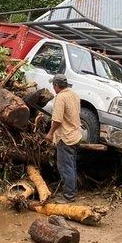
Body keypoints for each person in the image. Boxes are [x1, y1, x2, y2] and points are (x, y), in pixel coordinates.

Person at [45, 74, 82, 203]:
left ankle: (69, 196)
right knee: (71, 165)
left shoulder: (60, 98)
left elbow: (57, 120)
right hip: (75, 135)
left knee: (65, 167)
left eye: (53, 85)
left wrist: (50, 134)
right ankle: (71, 192)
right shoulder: (73, 94)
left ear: (56, 85)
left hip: (65, 137)